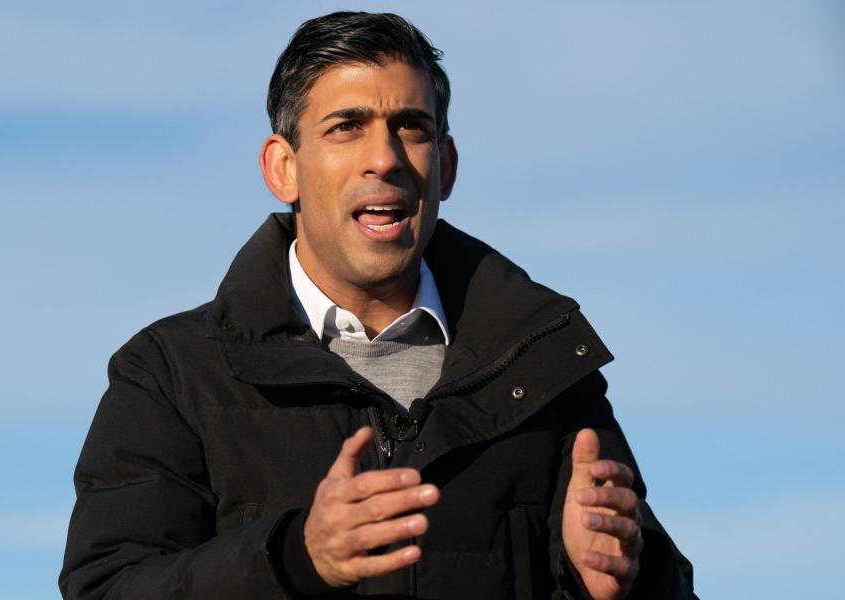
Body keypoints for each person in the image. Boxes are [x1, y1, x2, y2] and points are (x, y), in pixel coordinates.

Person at [60, 11, 695, 600]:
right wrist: (295, 557)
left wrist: (617, 580)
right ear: (283, 168)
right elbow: (107, 588)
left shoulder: (546, 368)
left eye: (411, 129)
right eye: (346, 127)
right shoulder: (171, 373)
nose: (385, 159)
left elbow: (662, 586)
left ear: (444, 166)